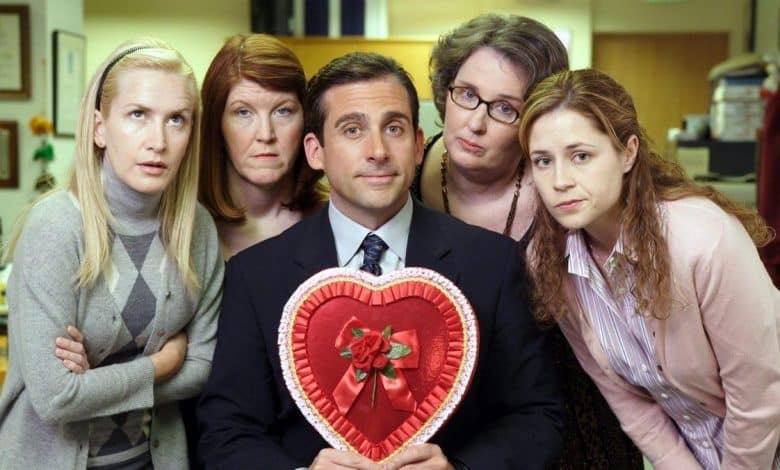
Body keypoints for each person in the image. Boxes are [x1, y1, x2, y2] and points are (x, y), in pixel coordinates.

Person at [197, 51, 563, 470]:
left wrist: (460, 468)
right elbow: (226, 430)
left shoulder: (491, 264)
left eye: (394, 128)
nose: (377, 151)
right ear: (315, 151)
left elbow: (537, 415)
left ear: (419, 144)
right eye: (352, 130)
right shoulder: (256, 274)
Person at [518, 68, 780, 470]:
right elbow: (628, 401)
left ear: (628, 152)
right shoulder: (550, 260)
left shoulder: (702, 241)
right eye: (543, 161)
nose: (560, 180)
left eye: (581, 156)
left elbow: (761, 397)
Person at [414, 14, 642, 469]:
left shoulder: (564, 190)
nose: (475, 123)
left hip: (573, 421)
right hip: (447, 435)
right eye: (467, 95)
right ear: (446, 90)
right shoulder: (404, 170)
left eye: (504, 108)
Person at [0, 38, 224, 468]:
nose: (158, 140)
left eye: (176, 119)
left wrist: (96, 382)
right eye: (138, 115)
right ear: (100, 128)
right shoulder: (57, 228)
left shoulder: (198, 229)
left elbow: (203, 369)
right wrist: (162, 363)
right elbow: (55, 397)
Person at [198, 33, 326, 260]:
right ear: (216, 124)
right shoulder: (183, 227)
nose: (266, 135)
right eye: (243, 112)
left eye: (283, 111)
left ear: (305, 120)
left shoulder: (338, 221)